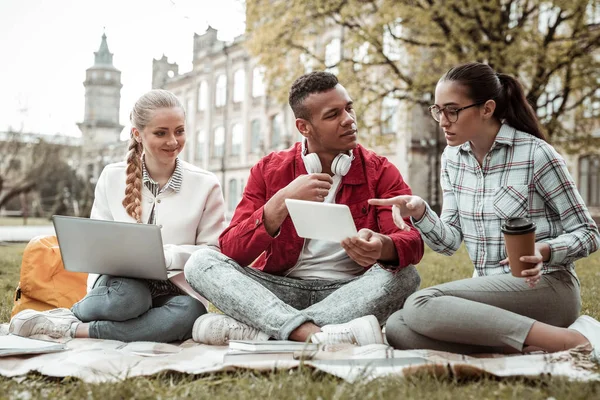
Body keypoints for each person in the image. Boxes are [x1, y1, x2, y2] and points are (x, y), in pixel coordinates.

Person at [370, 62, 600, 358]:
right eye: (438, 110)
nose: (443, 121)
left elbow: (589, 232)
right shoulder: (452, 158)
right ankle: (528, 346)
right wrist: (419, 211)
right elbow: (449, 242)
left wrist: (546, 250)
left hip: (546, 287)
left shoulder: (536, 154)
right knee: (400, 328)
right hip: (490, 292)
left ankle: (569, 341)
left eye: (452, 110)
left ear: (487, 108)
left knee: (420, 304)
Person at [183, 71, 423, 346]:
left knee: (405, 277)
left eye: (349, 108)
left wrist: (383, 246)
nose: (349, 120)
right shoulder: (269, 170)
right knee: (201, 262)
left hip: (349, 292)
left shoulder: (379, 171)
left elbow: (411, 243)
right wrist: (279, 202)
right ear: (304, 127)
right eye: (333, 115)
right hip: (279, 289)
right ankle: (313, 334)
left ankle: (268, 330)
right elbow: (231, 250)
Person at [9, 89, 226, 343]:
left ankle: (71, 327)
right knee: (131, 300)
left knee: (191, 314)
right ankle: (81, 313)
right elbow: (96, 244)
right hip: (120, 285)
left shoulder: (206, 184)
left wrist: (166, 256)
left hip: (176, 288)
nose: (173, 141)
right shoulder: (112, 176)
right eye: (161, 132)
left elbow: (213, 251)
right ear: (138, 134)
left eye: (179, 131)